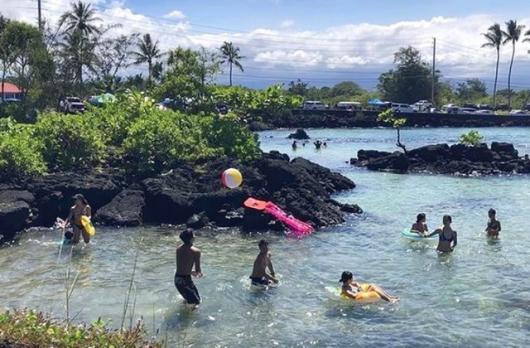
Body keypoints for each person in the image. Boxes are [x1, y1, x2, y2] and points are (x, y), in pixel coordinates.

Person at [175, 229, 202, 307]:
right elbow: (198, 271)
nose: (195, 236)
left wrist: (190, 272)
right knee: (196, 302)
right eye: (194, 235)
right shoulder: (196, 251)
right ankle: (187, 318)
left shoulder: (178, 249)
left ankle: (183, 313)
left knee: (193, 300)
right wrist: (198, 273)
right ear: (191, 238)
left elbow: (182, 266)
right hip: (185, 281)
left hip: (178, 279)